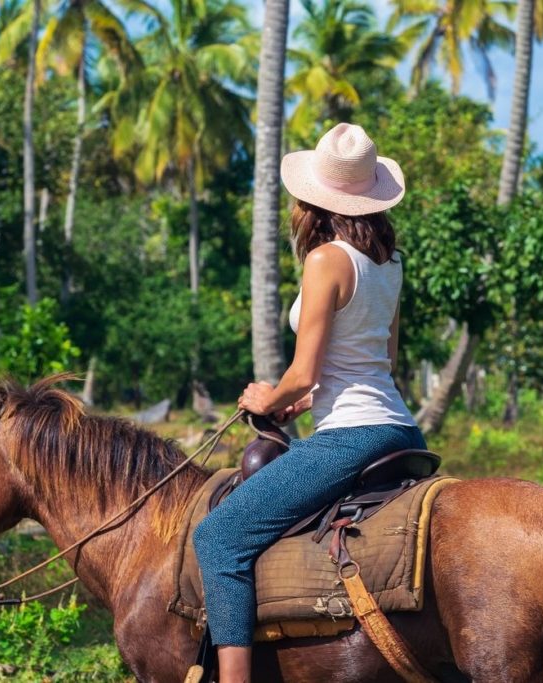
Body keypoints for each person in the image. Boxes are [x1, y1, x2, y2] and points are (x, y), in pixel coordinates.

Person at [192, 123, 426, 682]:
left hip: (351, 435)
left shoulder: (325, 261)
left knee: (218, 536)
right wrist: (305, 399)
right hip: (401, 430)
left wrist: (269, 397)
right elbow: (377, 358)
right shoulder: (391, 263)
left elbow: (301, 373)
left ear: (313, 202)